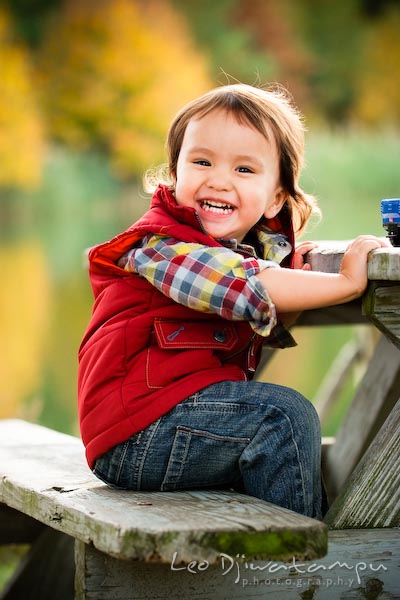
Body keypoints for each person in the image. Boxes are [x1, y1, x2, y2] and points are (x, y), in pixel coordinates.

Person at [78, 83, 387, 520]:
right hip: (136, 437)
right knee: (281, 418)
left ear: (276, 196)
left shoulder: (246, 252)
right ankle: (298, 569)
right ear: (175, 172)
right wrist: (347, 283)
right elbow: (243, 284)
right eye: (201, 161)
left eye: (244, 170)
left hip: (167, 424)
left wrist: (296, 264)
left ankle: (282, 546)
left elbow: (272, 295)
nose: (219, 179)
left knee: (276, 420)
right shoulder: (161, 248)